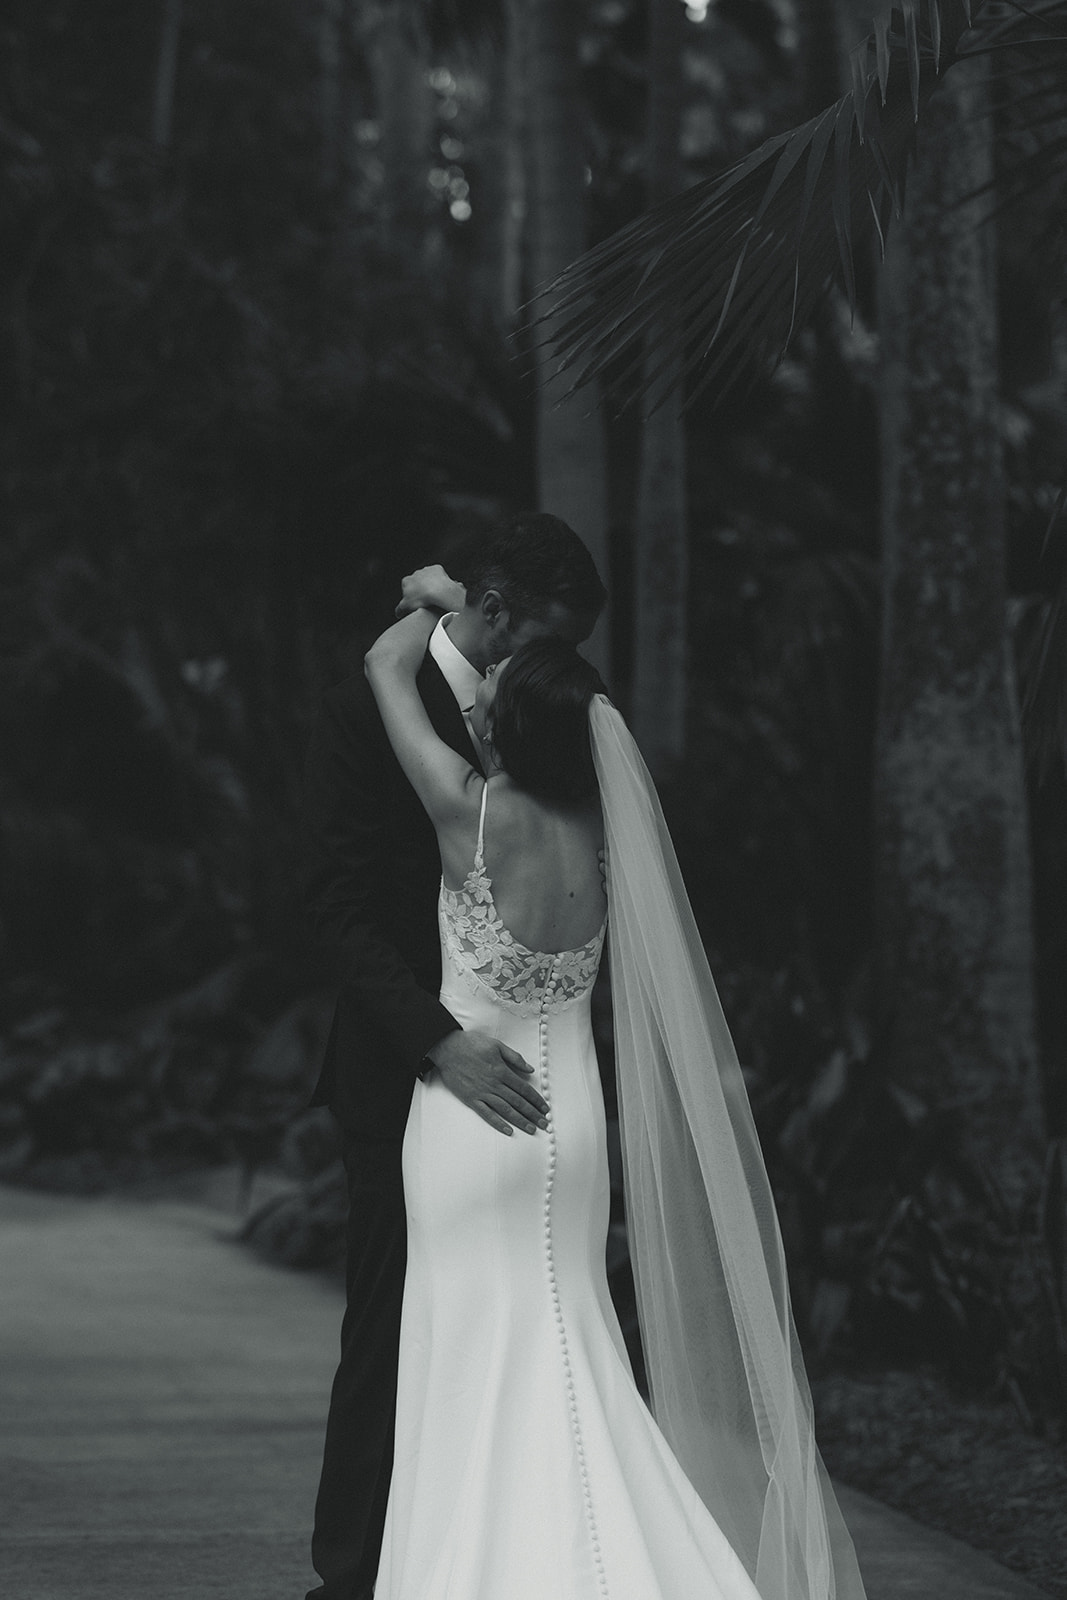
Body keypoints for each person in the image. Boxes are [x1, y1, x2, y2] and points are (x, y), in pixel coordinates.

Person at [362, 581, 870, 1600]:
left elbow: (385, 669)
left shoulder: (467, 812)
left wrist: (434, 596)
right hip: (573, 1124)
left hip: (471, 1129)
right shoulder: (604, 838)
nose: (481, 695)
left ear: (506, 723)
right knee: (570, 1334)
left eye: (494, 689)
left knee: (473, 1342)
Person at [301, 513, 607, 1600]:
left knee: (529, 1334)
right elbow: (334, 908)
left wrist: (433, 587)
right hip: (405, 1075)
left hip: (526, 1087)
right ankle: (352, 1579)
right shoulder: (364, 710)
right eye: (540, 637)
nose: (561, 664)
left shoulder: (544, 706)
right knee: (388, 1334)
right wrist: (437, 1044)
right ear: (490, 613)